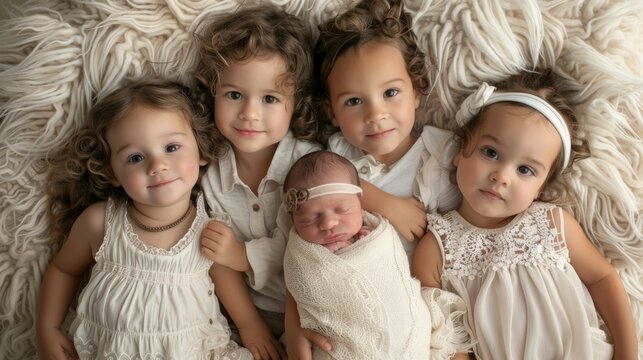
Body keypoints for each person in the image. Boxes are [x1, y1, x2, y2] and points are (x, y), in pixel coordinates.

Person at [412, 70, 639, 359]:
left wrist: (627, 352)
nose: (502, 176)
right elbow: (449, 338)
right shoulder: (436, 249)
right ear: (460, 149)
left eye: (525, 170)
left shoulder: (552, 225)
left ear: (540, 187)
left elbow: (602, 279)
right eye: (491, 152)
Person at [286, 0, 463, 357]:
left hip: (415, 318)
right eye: (353, 101)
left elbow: (460, 250)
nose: (375, 114)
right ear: (331, 112)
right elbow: (299, 256)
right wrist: (388, 206)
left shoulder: (438, 156)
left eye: (391, 93)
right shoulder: (331, 160)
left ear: (416, 90)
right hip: (343, 323)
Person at [37, 79, 252, 359]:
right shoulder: (99, 223)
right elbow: (64, 270)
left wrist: (251, 326)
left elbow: (229, 285)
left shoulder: (209, 232)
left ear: (200, 149)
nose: (157, 165)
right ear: (112, 172)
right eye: (136, 157)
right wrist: (46, 328)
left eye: (172, 148)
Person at [193, 4, 321, 359]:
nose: (250, 113)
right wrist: (249, 325)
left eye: (270, 98)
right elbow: (214, 255)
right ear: (213, 94)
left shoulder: (309, 162)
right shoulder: (209, 173)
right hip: (242, 313)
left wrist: (242, 254)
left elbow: (312, 246)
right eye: (234, 95)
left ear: (295, 105)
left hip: (315, 306)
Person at [283, 150, 464, 359]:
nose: (328, 224)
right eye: (309, 218)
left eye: (342, 210)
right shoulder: (302, 254)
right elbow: (300, 284)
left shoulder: (376, 236)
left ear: (361, 205)